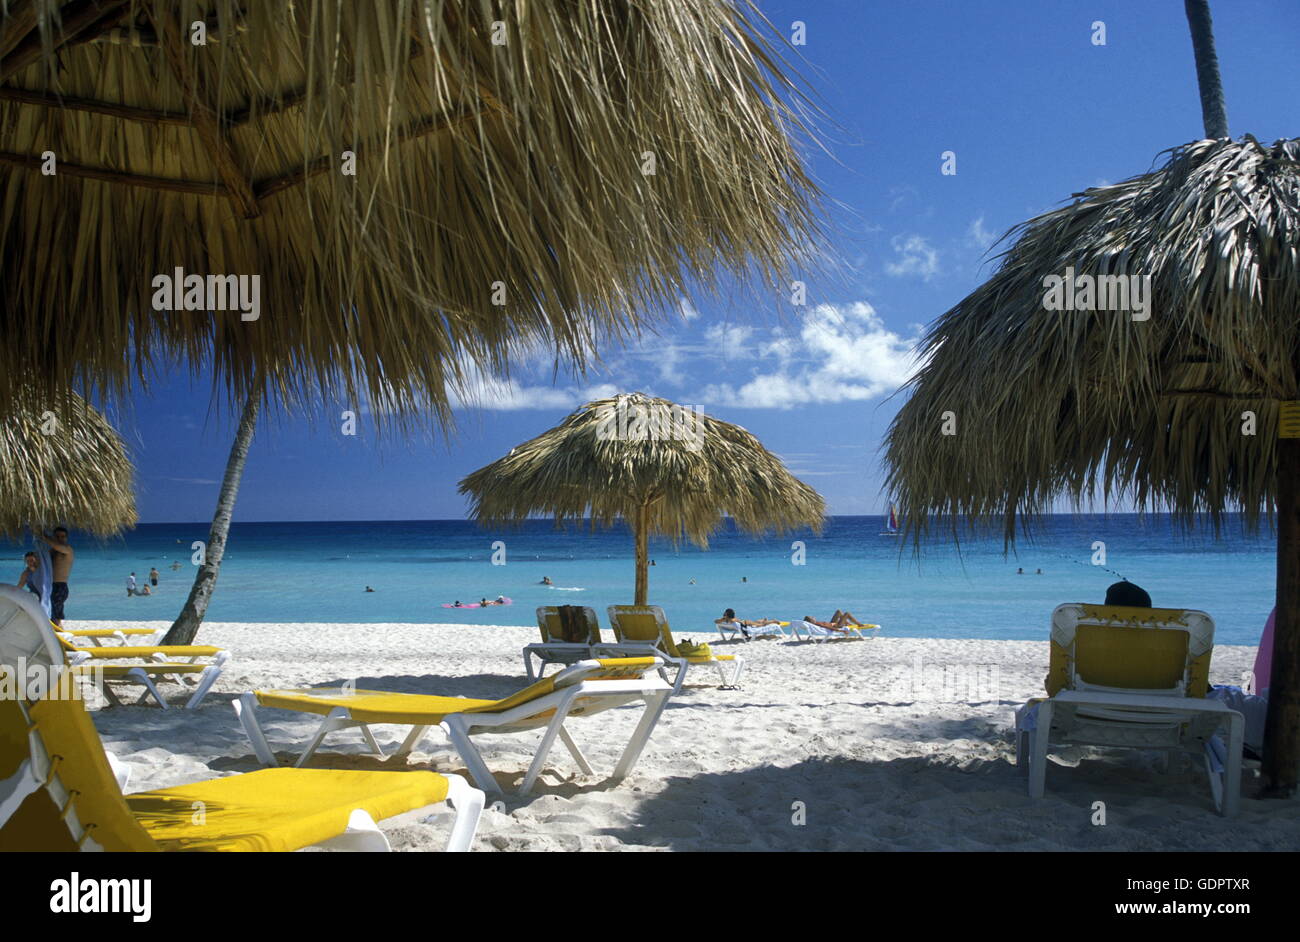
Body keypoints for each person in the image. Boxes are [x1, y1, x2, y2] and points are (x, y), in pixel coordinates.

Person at [35, 526, 73, 627]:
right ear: (54, 537)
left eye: (63, 536)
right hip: (50, 585)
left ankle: (59, 635)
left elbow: (56, 546)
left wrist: (43, 536)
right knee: (50, 614)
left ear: (66, 538)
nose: (60, 538)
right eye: (57, 536)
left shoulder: (67, 549)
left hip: (60, 586)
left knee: (56, 616)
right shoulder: (52, 552)